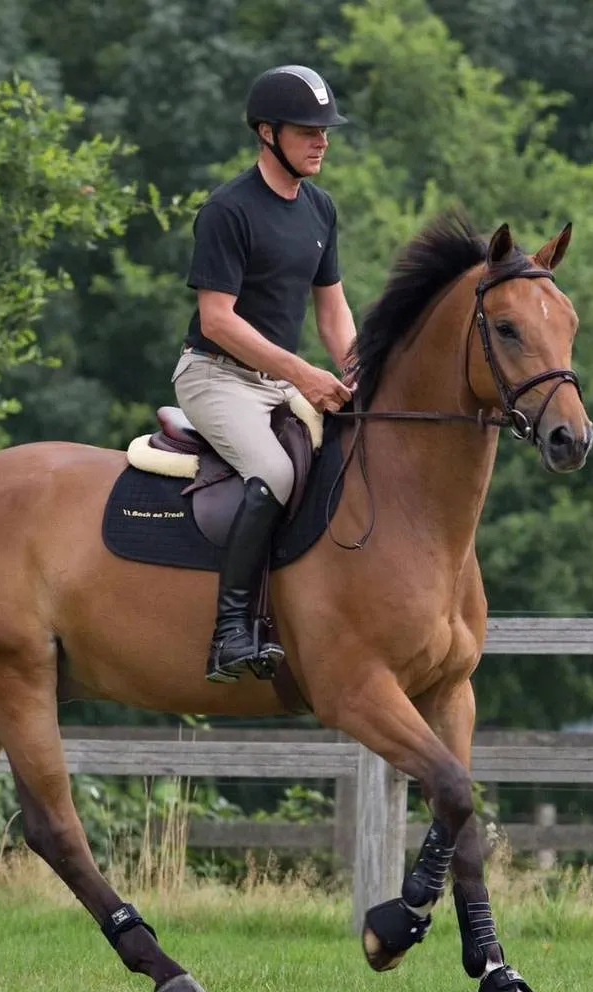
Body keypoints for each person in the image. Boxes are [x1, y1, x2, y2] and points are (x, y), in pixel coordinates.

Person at [174, 64, 359, 684]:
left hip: (276, 380)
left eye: (325, 130)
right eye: (308, 129)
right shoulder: (228, 210)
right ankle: (230, 633)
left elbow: (331, 311)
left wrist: (362, 376)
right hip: (214, 376)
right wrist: (303, 373)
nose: (322, 141)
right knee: (277, 472)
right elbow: (218, 320)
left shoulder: (319, 209)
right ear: (267, 132)